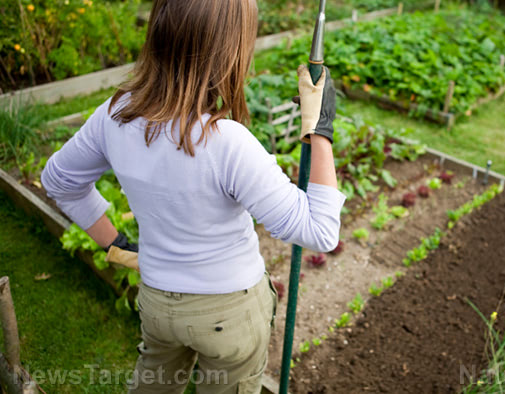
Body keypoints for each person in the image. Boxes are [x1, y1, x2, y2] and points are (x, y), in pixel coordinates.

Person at [40, 0, 344, 392]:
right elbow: (320, 231)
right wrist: (320, 130)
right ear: (229, 50)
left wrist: (113, 243)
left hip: (157, 304)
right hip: (228, 315)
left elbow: (59, 180)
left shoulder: (115, 115)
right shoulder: (227, 143)